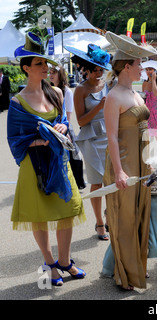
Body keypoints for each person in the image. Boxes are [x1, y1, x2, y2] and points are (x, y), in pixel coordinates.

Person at [7, 31, 86, 286]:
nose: (45, 67)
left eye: (45, 62)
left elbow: (63, 121)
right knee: (38, 215)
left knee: (68, 209)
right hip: (34, 165)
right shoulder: (17, 102)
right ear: (26, 68)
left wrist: (62, 127)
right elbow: (15, 140)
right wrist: (41, 140)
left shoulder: (57, 93)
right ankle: (50, 263)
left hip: (58, 161)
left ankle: (65, 260)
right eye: (39, 63)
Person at [102, 31, 157, 291]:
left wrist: (153, 160)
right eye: (138, 64)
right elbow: (111, 138)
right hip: (123, 164)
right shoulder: (113, 97)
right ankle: (124, 273)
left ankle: (136, 266)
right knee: (124, 219)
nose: (142, 68)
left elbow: (146, 129)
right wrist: (120, 172)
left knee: (140, 215)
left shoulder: (135, 94)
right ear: (127, 66)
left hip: (142, 164)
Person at [65, 44, 112, 241]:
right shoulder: (81, 90)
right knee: (97, 181)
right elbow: (81, 120)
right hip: (91, 138)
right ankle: (99, 223)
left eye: (101, 69)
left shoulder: (107, 85)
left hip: (109, 135)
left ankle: (110, 216)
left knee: (111, 178)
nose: (99, 73)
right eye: (95, 70)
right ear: (85, 69)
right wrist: (100, 105)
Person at [49, 63, 86, 190]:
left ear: (60, 74)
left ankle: (74, 183)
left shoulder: (67, 91)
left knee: (74, 155)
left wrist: (66, 132)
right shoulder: (47, 89)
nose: (51, 75)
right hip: (51, 126)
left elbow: (68, 114)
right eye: (50, 73)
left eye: (53, 73)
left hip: (64, 127)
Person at [141, 60, 157, 155]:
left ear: (155, 71)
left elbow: (156, 93)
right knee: (146, 136)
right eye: (147, 69)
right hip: (147, 111)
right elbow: (143, 98)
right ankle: (147, 159)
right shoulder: (144, 83)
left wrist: (154, 80)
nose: (148, 71)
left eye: (151, 69)